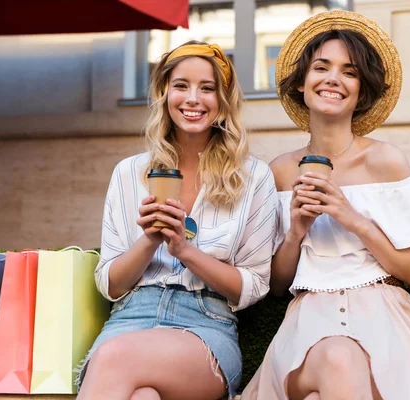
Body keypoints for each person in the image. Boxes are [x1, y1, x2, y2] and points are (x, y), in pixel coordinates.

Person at [240, 10, 410, 400]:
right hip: (308, 319)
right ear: (302, 84)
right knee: (340, 358)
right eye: (321, 67)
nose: (333, 79)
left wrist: (352, 219)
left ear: (361, 91)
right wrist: (296, 233)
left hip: (386, 316)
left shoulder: (386, 161)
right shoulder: (279, 172)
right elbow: (276, 285)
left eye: (349, 71)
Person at [76, 41, 279, 400]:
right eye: (181, 85)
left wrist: (184, 250)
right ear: (164, 93)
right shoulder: (129, 173)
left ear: (223, 100)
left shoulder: (253, 177)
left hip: (204, 327)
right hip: (129, 318)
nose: (193, 99)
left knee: (113, 358)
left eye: (207, 88)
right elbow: (110, 284)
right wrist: (150, 240)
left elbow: (253, 286)